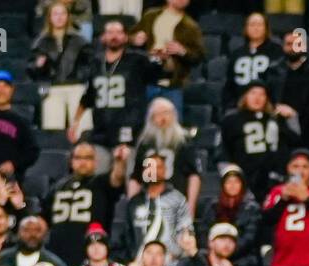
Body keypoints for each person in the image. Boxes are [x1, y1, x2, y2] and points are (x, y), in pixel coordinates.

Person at [73, 17, 161, 158]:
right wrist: (75, 122)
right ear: (103, 37)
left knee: (124, 170)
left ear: (126, 37)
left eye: (118, 32)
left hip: (129, 128)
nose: (114, 36)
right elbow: (88, 96)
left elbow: (159, 74)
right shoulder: (95, 63)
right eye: (110, 32)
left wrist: (160, 58)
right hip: (101, 129)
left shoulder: (138, 60)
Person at [262, 28, 309, 177]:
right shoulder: (273, 72)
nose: (292, 48)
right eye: (288, 44)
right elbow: (265, 100)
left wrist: (296, 115)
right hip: (281, 136)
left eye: (297, 44)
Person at [42, 142, 128, 266]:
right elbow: (43, 217)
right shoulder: (57, 186)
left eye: (87, 157)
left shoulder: (102, 183)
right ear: (71, 161)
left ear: (95, 162)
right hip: (57, 251)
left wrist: (120, 162)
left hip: (91, 252)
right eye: (78, 158)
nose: (82, 162)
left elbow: (117, 178)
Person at [111, 151, 193, 261]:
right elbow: (127, 235)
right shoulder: (134, 202)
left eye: (158, 167)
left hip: (170, 262)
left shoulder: (178, 199)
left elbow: (185, 230)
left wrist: (175, 255)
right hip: (139, 263)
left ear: (165, 171)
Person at [219, 82, 294, 201]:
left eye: (262, 94)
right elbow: (224, 152)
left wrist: (292, 118)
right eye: (253, 93)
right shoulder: (231, 120)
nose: (257, 98)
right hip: (245, 178)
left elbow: (294, 143)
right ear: (245, 96)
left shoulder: (276, 119)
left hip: (274, 178)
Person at [128, 0, 205, 113]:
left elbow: (199, 56)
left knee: (172, 127)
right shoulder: (150, 16)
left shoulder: (191, 26)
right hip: (147, 82)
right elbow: (129, 37)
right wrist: (135, 39)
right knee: (144, 126)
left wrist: (182, 51)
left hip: (172, 85)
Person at [29, 1, 91, 131]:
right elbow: (31, 71)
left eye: (62, 13)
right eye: (55, 14)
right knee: (53, 130)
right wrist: (38, 66)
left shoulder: (80, 41)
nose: (59, 17)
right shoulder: (40, 43)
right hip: (52, 88)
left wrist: (81, 78)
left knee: (82, 129)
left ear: (68, 16)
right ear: (49, 17)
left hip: (77, 87)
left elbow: (89, 64)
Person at [224, 11, 283, 111]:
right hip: (240, 106)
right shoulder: (237, 54)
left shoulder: (276, 51)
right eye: (252, 24)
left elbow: (280, 82)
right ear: (246, 28)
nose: (256, 28)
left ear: (266, 28)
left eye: (259, 24)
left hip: (268, 106)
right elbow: (230, 84)